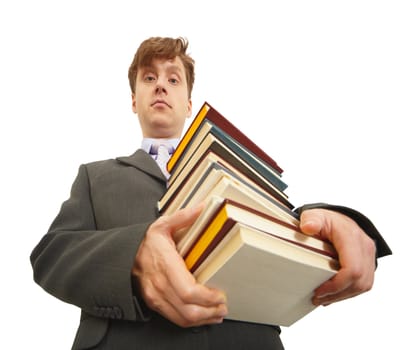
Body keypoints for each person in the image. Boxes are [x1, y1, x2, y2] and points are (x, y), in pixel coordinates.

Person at [30, 37, 392, 350]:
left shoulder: (233, 163)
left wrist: (334, 224)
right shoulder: (95, 176)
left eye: (173, 79)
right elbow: (52, 255)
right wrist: (133, 257)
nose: (160, 86)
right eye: (149, 78)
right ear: (133, 100)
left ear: (189, 104)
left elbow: (278, 221)